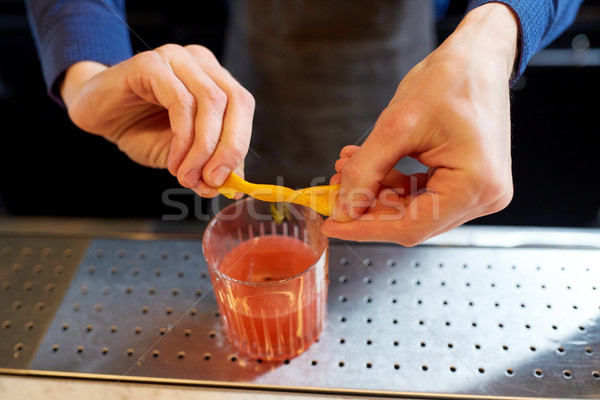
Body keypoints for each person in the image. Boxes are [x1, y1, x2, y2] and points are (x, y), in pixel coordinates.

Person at [25, 0, 583, 245]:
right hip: (248, 89)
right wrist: (87, 71)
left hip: (409, 80)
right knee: (247, 246)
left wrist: (490, 37)